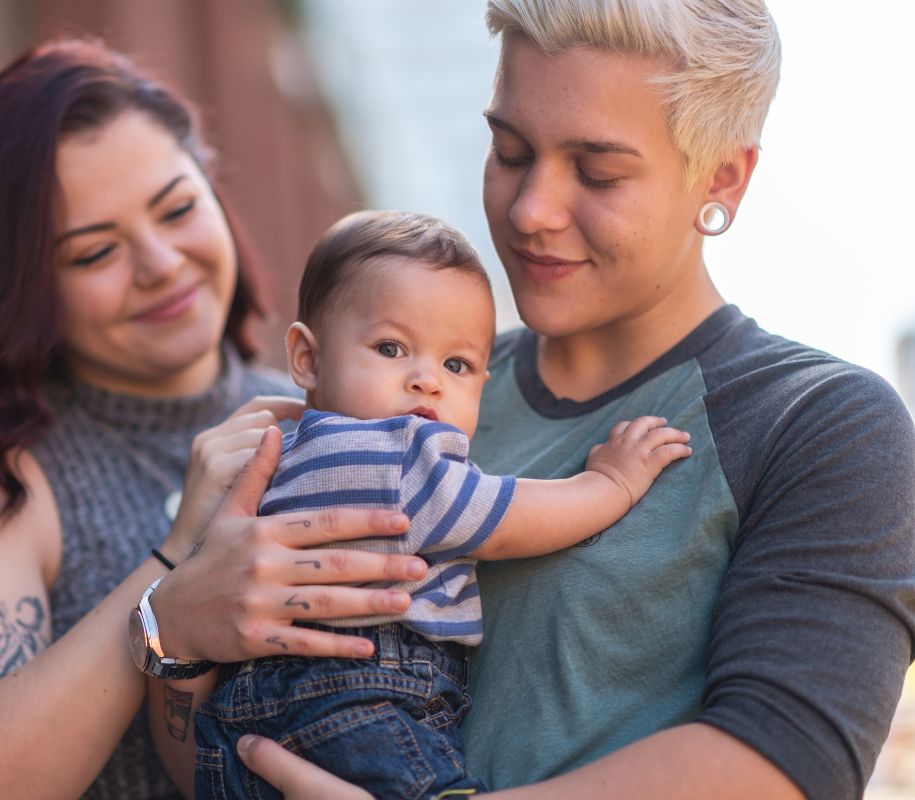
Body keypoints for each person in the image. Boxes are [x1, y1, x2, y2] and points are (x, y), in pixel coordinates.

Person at [143, 1, 915, 799]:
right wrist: (179, 623)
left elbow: (786, 767)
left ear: (721, 176)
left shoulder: (821, 424)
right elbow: (209, 755)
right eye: (509, 151)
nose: (528, 211)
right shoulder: (392, 397)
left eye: (597, 171)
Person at [0, 40, 407, 800]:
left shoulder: (340, 408)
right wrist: (172, 575)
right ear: (16, 289)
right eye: (95, 254)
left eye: (178, 208)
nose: (160, 263)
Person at [187, 209, 693, 799]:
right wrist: (612, 484)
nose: (427, 380)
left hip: (237, 724)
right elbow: (504, 519)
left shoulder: (281, 458)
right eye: (391, 346)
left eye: (456, 364)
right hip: (360, 699)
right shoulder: (399, 454)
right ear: (306, 358)